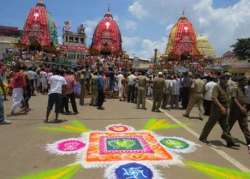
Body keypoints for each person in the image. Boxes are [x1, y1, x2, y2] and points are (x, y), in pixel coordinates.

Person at [199, 74, 239, 148]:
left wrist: (228, 108)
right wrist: (221, 107)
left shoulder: (227, 87)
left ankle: (229, 141)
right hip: (217, 109)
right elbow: (214, 98)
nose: (226, 80)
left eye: (227, 79)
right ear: (220, 80)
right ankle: (203, 137)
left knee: (226, 126)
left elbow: (229, 99)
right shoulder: (217, 87)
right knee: (210, 123)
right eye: (224, 79)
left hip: (225, 108)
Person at [228, 76, 250, 151]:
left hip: (242, 111)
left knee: (245, 127)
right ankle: (229, 141)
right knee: (229, 126)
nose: (246, 82)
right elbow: (234, 99)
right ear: (240, 82)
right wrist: (241, 107)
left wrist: (244, 107)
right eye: (245, 81)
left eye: (246, 81)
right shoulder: (235, 89)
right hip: (234, 111)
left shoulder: (245, 89)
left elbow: (245, 99)